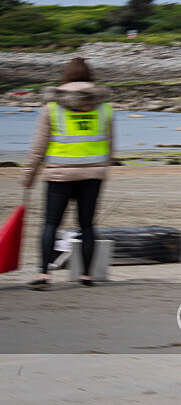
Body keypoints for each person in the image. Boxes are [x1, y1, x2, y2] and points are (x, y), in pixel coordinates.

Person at [21, 58, 113, 290]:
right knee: (87, 225)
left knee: (51, 224)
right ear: (90, 76)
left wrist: (28, 176)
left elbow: (39, 146)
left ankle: (43, 275)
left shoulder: (52, 107)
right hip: (93, 174)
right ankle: (86, 277)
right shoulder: (104, 107)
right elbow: (110, 144)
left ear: (66, 76)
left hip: (59, 175)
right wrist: (103, 169)